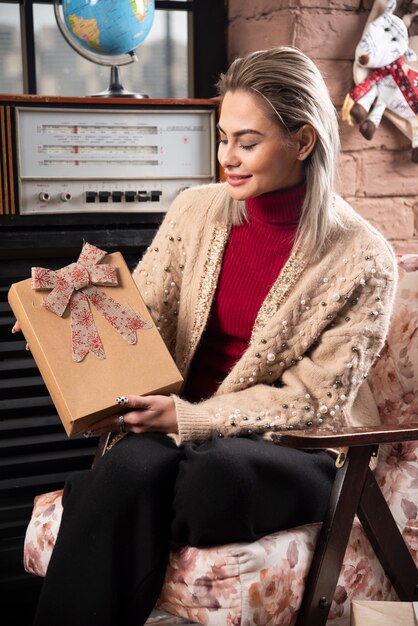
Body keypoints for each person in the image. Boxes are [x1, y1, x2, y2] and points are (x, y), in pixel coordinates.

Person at [18, 46, 397, 626]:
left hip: (296, 450)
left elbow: (313, 402)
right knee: (138, 471)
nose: (227, 158)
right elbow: (138, 320)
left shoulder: (362, 256)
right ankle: (110, 493)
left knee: (206, 479)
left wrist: (185, 419)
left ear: (303, 141)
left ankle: (93, 498)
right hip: (181, 440)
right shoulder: (196, 210)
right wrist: (62, 326)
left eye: (248, 142)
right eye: (223, 138)